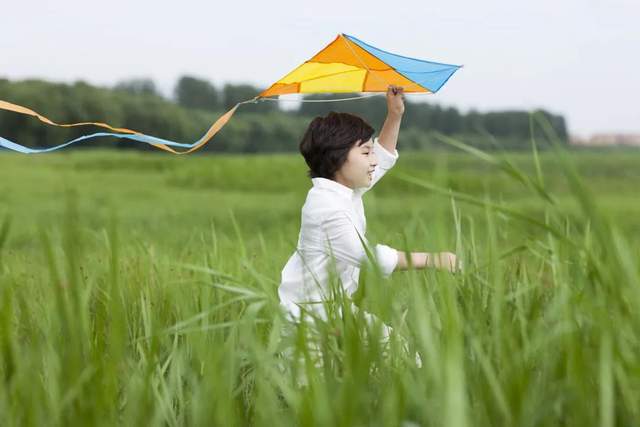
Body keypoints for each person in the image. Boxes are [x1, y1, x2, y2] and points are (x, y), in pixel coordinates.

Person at [278, 85, 459, 327]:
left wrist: (395, 114)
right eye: (366, 153)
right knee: (394, 358)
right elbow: (369, 258)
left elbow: (382, 159)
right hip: (308, 320)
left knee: (400, 356)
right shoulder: (325, 206)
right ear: (337, 157)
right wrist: (434, 259)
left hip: (335, 309)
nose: (373, 161)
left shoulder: (344, 190)